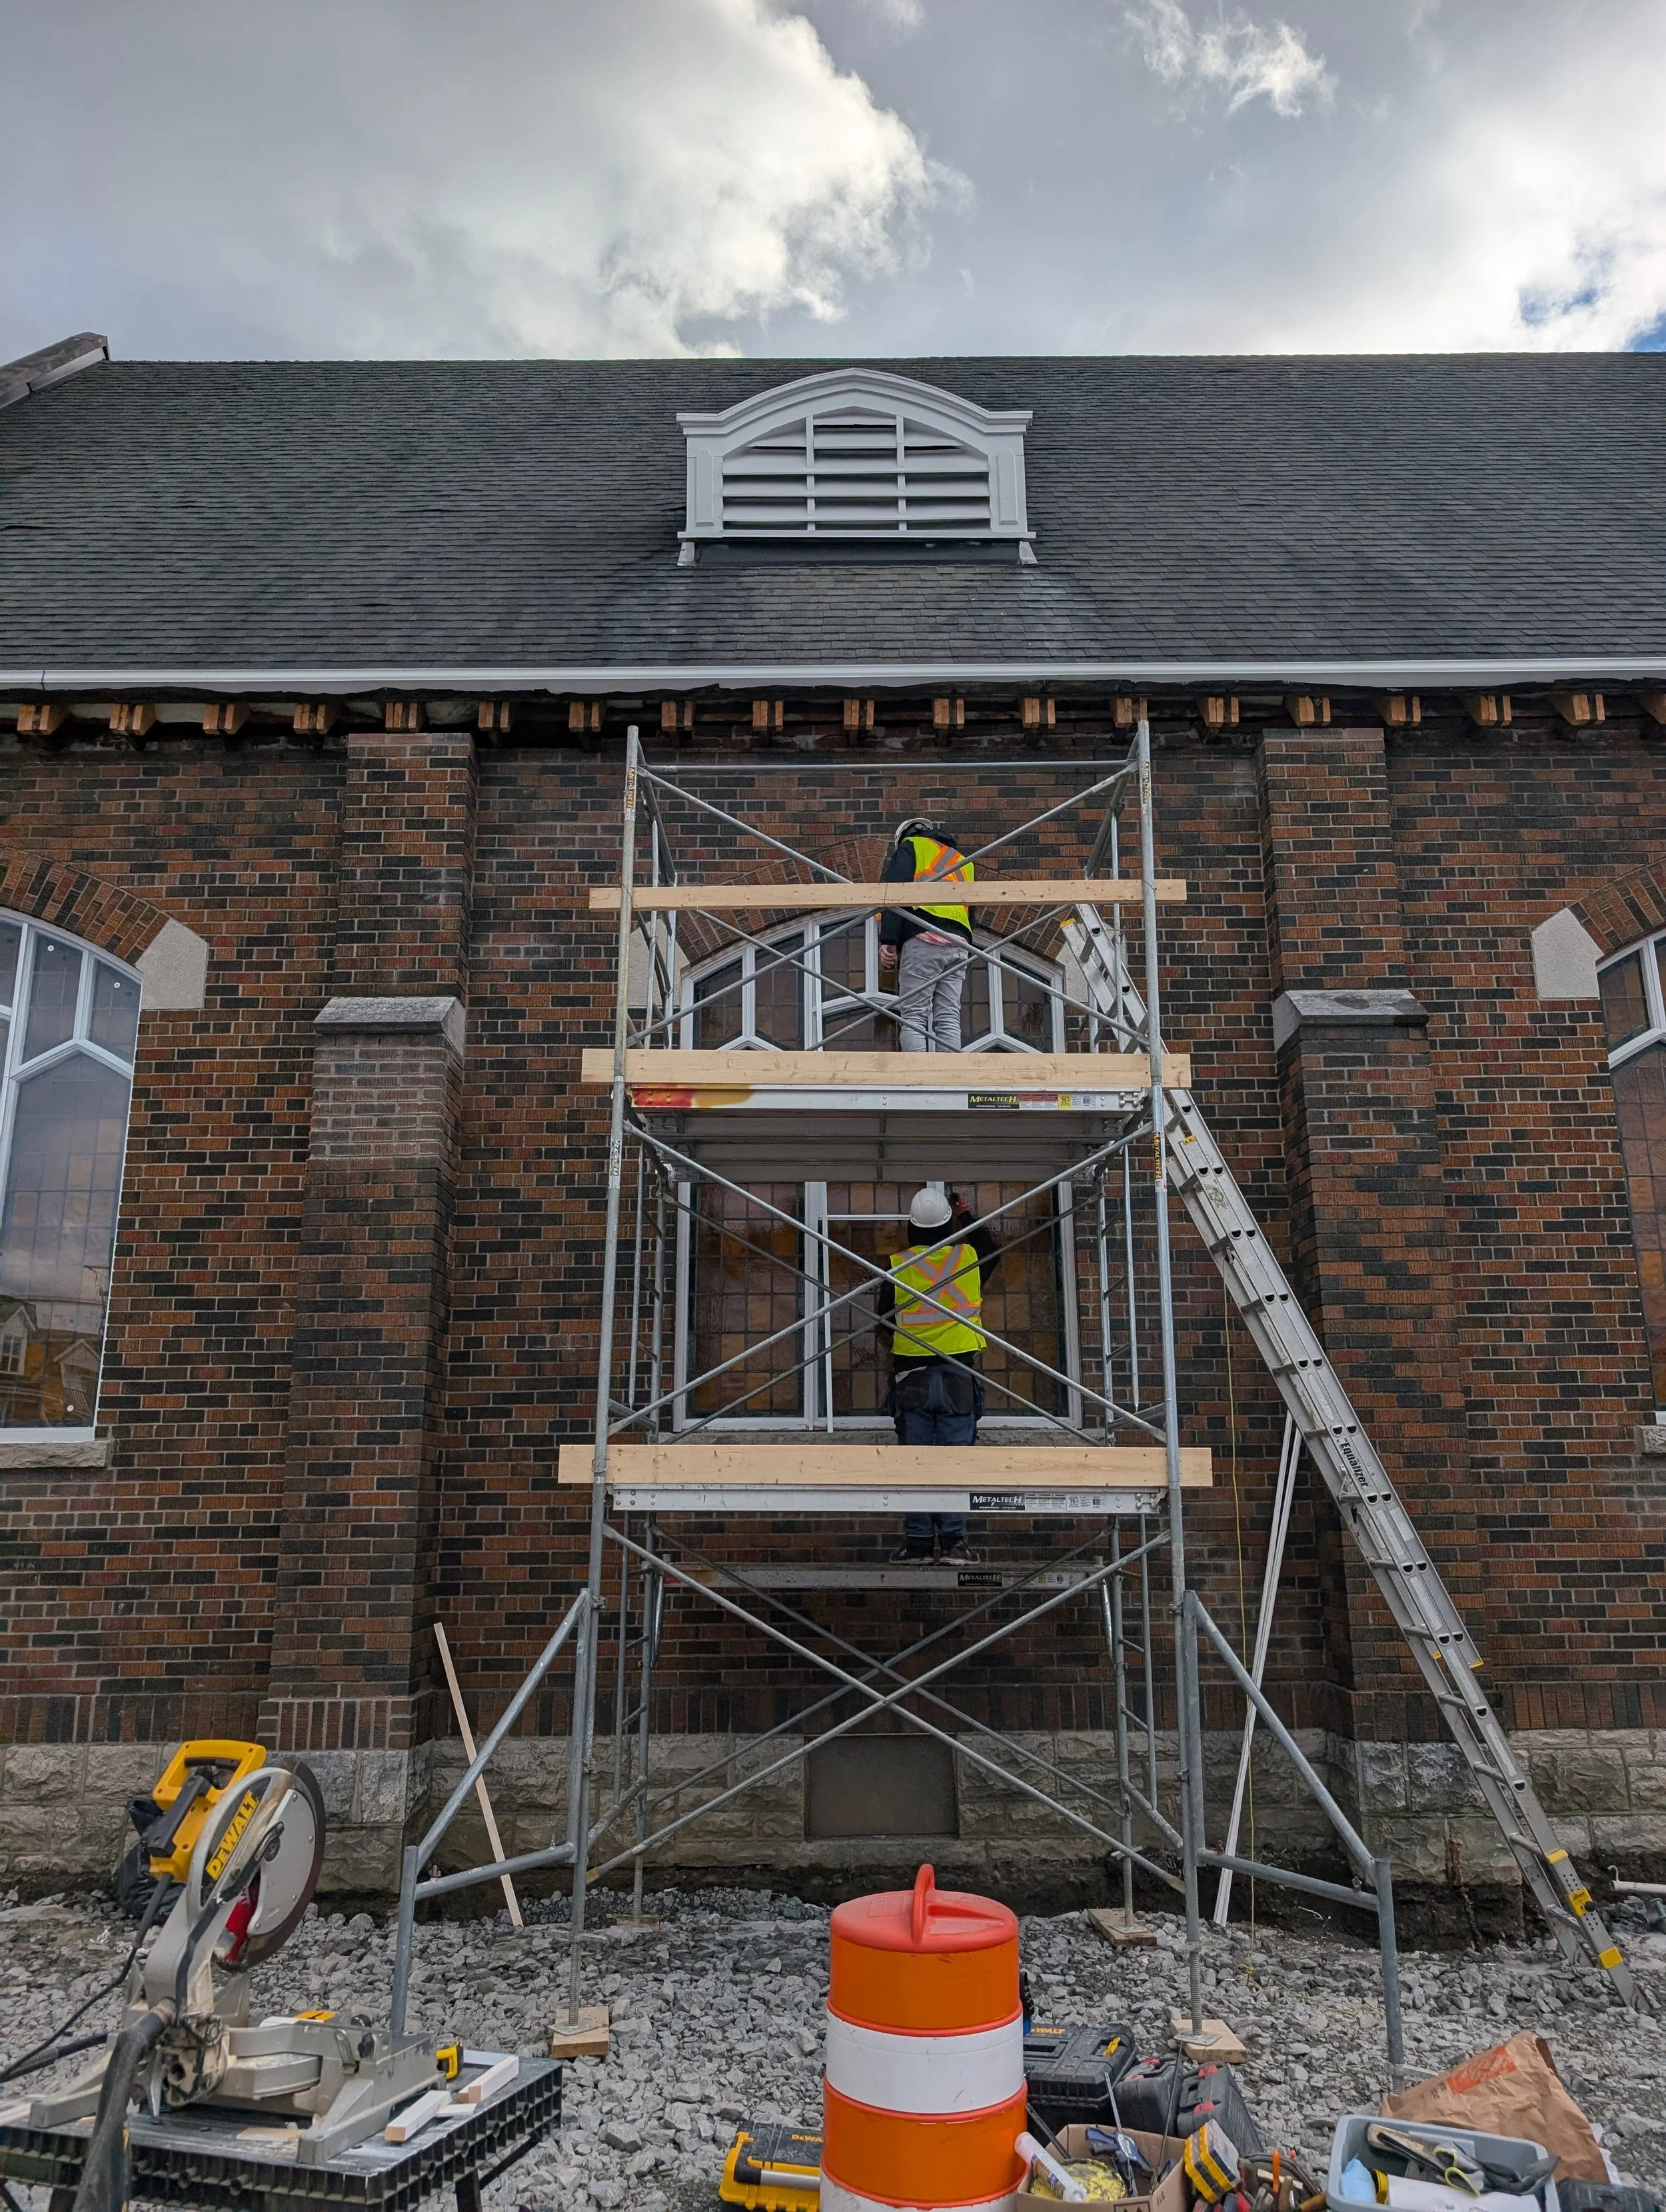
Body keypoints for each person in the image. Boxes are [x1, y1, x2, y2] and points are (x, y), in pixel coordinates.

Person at [876, 1184, 1002, 1564]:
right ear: (948, 1226)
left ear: (911, 1228)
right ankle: (954, 1544)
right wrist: (965, 1214)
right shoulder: (968, 1258)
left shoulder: (896, 1265)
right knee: (954, 1463)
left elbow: (883, 1321)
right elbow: (993, 1248)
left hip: (912, 1378)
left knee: (915, 1461)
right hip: (957, 1378)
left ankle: (916, 1544)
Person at [878, 818, 974, 1052]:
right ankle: (949, 1082)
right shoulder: (963, 862)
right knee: (949, 1017)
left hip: (924, 936)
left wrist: (889, 940)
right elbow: (970, 910)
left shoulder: (911, 846)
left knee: (914, 1016)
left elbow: (895, 892)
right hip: (958, 943)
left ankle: (921, 1082)